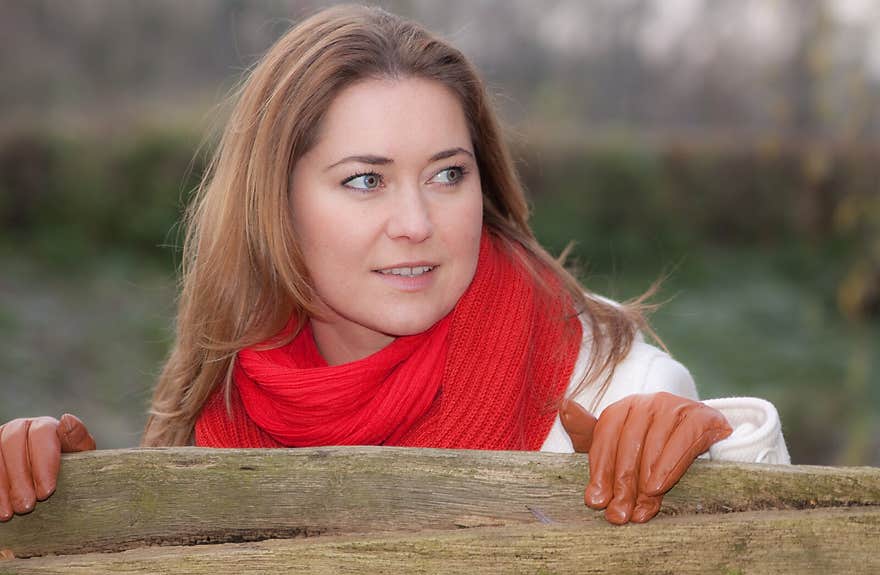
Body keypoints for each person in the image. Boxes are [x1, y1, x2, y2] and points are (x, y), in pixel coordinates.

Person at [0, 3, 789, 528]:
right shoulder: (217, 409)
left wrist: (719, 464)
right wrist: (74, 521)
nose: (417, 224)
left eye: (448, 174)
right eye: (365, 180)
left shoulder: (616, 392)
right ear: (273, 201)